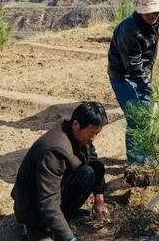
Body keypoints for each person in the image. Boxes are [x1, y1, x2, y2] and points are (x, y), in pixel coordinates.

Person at [11, 102, 111, 241]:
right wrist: (69, 238)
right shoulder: (55, 150)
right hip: (32, 207)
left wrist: (99, 200)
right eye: (91, 134)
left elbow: (95, 164)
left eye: (96, 133)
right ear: (76, 124)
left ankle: (63, 217)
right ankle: (39, 229)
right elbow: (47, 200)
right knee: (86, 174)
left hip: (50, 193)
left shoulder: (80, 137)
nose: (93, 138)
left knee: (90, 170)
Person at [107, 0, 159, 163]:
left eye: (156, 12)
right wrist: (150, 87)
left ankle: (147, 153)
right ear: (141, 11)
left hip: (142, 73)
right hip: (123, 76)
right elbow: (134, 67)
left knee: (148, 112)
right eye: (149, 13)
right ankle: (137, 162)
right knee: (136, 117)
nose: (153, 16)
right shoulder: (129, 32)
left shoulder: (158, 17)